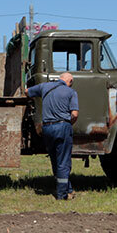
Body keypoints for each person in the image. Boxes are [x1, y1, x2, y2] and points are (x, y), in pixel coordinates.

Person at [27, 72, 79, 200]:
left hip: (47, 128)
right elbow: (75, 114)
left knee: (55, 159)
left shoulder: (45, 87)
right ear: (70, 81)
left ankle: (69, 189)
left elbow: (27, 91)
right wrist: (68, 123)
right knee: (63, 162)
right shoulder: (71, 92)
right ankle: (62, 195)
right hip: (62, 127)